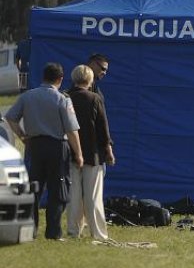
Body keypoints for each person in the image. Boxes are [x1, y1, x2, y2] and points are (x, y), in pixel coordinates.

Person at [4, 62, 83, 240]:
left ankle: (30, 230)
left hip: (36, 147)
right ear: (60, 79)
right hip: (57, 147)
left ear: (43, 77)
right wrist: (78, 154)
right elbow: (71, 130)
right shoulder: (63, 99)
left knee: (34, 189)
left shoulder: (28, 96)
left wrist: (23, 137)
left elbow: (10, 118)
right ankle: (53, 233)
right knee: (58, 190)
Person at [66, 64, 115, 240]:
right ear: (90, 79)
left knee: (74, 196)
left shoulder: (65, 97)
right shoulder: (95, 99)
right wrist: (108, 151)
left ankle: (73, 231)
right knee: (93, 196)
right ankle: (99, 233)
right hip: (92, 154)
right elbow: (103, 129)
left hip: (70, 153)